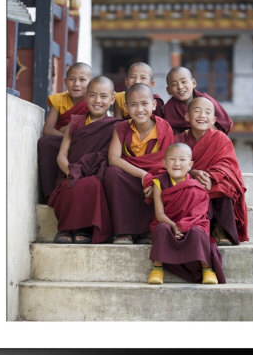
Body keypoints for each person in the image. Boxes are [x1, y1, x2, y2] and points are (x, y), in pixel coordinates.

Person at [47, 75, 120, 244]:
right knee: (70, 185)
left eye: (103, 96)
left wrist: (85, 174)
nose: (97, 101)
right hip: (71, 172)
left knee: (92, 184)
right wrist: (71, 172)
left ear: (112, 99)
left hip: (97, 174)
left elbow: (110, 157)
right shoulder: (76, 122)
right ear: (86, 97)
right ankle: (65, 228)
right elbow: (61, 156)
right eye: (93, 95)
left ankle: (83, 229)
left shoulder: (116, 125)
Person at [104, 83, 174, 245]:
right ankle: (123, 232)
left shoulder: (164, 128)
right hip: (132, 178)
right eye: (134, 105)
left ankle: (147, 231)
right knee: (112, 174)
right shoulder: (121, 127)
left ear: (154, 105)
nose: (140, 109)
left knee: (166, 182)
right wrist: (143, 174)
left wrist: (154, 182)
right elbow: (113, 159)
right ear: (126, 107)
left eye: (144, 104)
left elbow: (168, 162)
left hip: (155, 179)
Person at [147, 142, 226, 285]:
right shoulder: (159, 183)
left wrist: (183, 227)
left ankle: (206, 269)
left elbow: (199, 215)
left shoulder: (196, 186)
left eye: (182, 160)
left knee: (199, 232)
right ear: (164, 163)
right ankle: (157, 268)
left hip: (191, 226)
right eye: (171, 159)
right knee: (161, 228)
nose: (176, 163)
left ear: (190, 165)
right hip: (169, 225)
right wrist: (174, 226)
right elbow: (159, 214)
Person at [175, 96, 249, 245]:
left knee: (225, 186)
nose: (202, 115)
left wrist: (210, 176)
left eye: (207, 112)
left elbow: (228, 165)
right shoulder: (178, 140)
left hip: (212, 180)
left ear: (213, 119)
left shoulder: (221, 139)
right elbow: (171, 164)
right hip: (187, 180)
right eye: (197, 111)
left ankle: (221, 228)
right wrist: (192, 173)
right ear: (187, 116)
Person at [37, 62, 92, 200]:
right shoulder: (58, 100)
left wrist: (72, 132)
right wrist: (66, 133)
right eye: (72, 79)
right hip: (60, 140)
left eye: (82, 80)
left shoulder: (93, 101)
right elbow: (48, 129)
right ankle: (49, 193)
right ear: (65, 82)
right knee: (45, 143)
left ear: (91, 83)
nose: (76, 84)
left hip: (82, 141)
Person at [163, 66, 233, 135]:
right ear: (168, 90)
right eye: (174, 84)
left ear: (193, 83)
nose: (180, 87)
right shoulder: (168, 110)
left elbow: (223, 125)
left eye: (183, 82)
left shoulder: (206, 101)